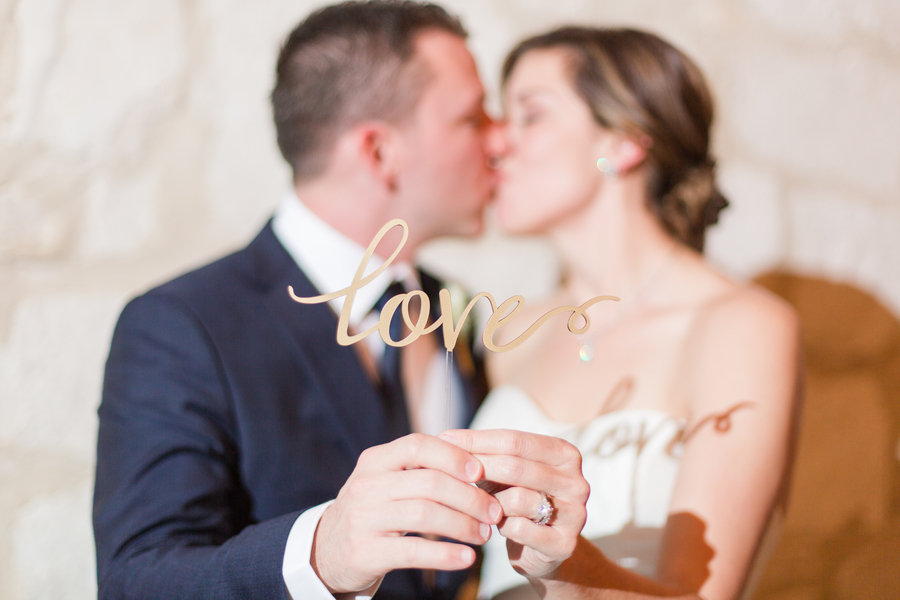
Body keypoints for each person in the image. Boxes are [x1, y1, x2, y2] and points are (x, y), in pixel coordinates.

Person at [90, 3, 561, 599]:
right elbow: (137, 580)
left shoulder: (449, 307)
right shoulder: (183, 325)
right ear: (379, 152)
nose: (501, 139)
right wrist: (322, 555)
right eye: (473, 118)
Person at [468, 26, 803, 599]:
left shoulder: (741, 326)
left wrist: (566, 568)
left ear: (623, 142)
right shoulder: (510, 331)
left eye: (531, 115)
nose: (496, 143)